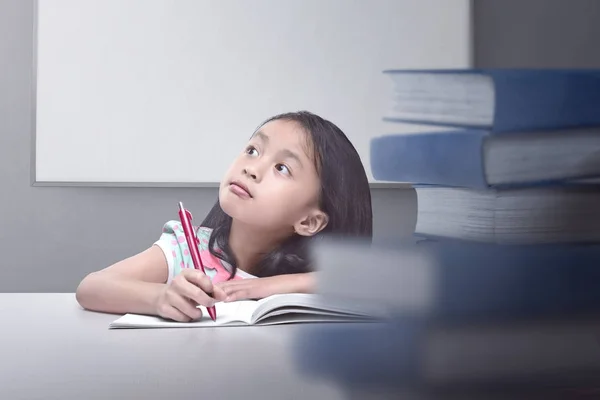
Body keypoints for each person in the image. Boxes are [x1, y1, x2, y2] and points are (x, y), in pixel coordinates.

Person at [76, 111, 373, 322]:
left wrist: (267, 287)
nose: (251, 168)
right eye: (253, 150)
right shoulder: (186, 246)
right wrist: (160, 298)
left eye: (282, 168)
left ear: (309, 222)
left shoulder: (305, 275)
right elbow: (91, 288)